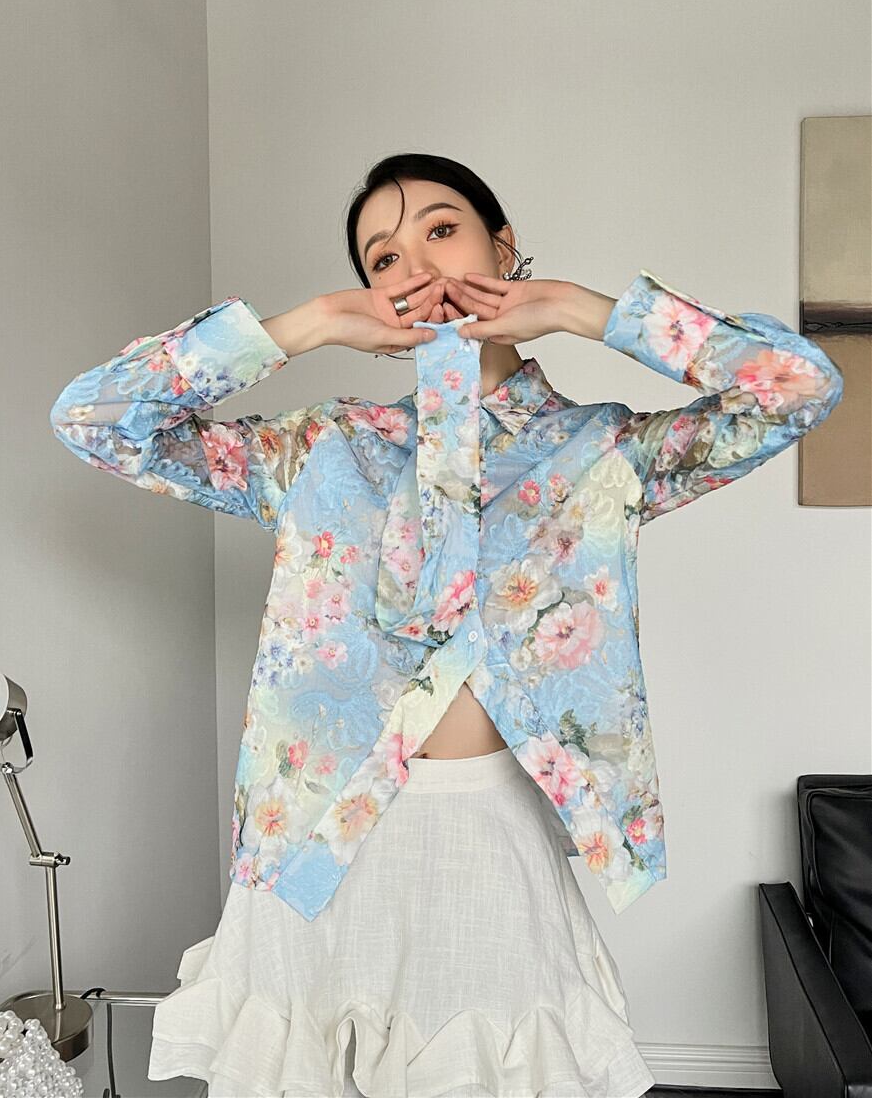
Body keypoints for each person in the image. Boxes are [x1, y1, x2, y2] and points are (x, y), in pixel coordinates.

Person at [50, 152, 842, 1098]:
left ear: (501, 248)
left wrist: (580, 309)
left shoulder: (603, 450)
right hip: (314, 839)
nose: (416, 266)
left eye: (439, 229)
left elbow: (798, 387)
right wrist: (307, 324)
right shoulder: (322, 447)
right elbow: (94, 420)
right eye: (383, 258)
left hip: (486, 833)